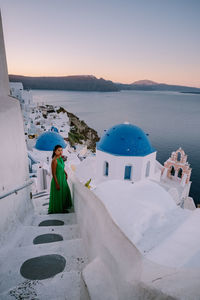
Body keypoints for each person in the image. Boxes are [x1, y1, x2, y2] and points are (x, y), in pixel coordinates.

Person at [48, 145, 72, 213]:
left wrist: (66, 173)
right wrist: (56, 184)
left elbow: (61, 167)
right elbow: (53, 173)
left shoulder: (60, 158)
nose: (60, 152)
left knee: (64, 192)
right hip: (57, 179)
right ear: (55, 151)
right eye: (58, 150)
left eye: (61, 150)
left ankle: (63, 207)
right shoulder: (54, 161)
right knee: (58, 195)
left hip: (62, 178)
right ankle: (59, 210)